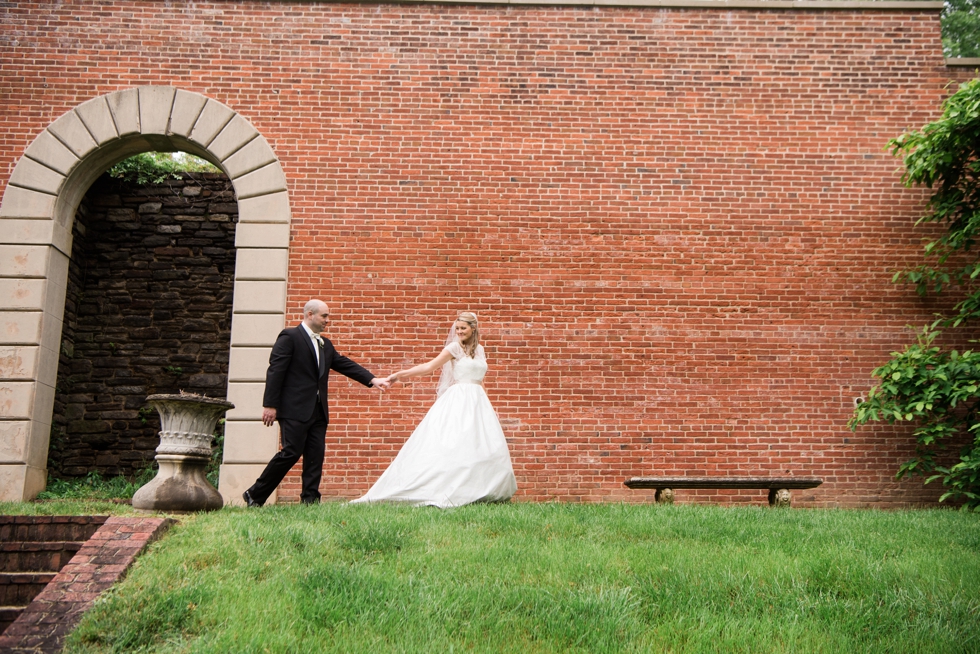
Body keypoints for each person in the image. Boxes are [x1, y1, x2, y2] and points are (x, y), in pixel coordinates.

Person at [351, 312, 517, 508]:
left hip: (478, 401)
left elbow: (480, 380)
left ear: (473, 328)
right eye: (457, 328)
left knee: (481, 445)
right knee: (455, 444)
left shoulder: (480, 350)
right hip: (459, 400)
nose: (459, 331)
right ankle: (446, 488)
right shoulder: (453, 348)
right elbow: (428, 366)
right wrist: (400, 375)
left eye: (463, 328)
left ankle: (481, 490)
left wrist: (488, 403)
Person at [243, 299, 389, 506]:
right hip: (294, 409)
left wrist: (373, 379)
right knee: (291, 452)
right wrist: (270, 404)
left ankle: (310, 500)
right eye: (324, 316)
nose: (327, 321)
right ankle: (255, 494)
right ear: (310, 314)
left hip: (318, 411)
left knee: (315, 455)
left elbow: (343, 364)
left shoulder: (325, 344)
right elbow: (276, 371)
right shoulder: (290, 337)